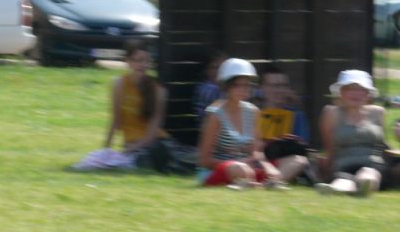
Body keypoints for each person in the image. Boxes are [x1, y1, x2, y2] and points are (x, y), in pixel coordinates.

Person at [71, 41, 187, 173]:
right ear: (128, 61)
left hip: (154, 144)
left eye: (146, 61)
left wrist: (129, 150)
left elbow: (151, 135)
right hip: (133, 148)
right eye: (138, 60)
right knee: (105, 160)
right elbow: (115, 121)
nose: (142, 65)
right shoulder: (119, 85)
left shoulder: (158, 91)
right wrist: (105, 149)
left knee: (150, 157)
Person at [196, 57, 278, 188]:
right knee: (240, 169)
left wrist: (263, 163)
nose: (243, 89)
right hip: (218, 170)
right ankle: (262, 185)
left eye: (247, 85)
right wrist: (239, 162)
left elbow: (257, 151)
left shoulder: (253, 111)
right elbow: (203, 160)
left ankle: (254, 183)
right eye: (237, 85)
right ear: (226, 86)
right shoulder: (215, 114)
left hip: (248, 167)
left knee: (295, 161)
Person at [316, 69, 387, 196]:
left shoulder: (378, 112)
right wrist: (325, 170)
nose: (356, 94)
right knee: (343, 179)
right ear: (341, 92)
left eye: (361, 90)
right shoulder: (331, 113)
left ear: (367, 93)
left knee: (367, 174)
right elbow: (329, 148)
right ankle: (338, 190)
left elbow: (382, 144)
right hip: (343, 164)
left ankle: (364, 187)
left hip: (372, 163)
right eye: (350, 89)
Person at [256, 65, 312, 185]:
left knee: (300, 161)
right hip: (257, 161)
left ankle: (269, 183)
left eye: (284, 85)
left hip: (284, 163)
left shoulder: (296, 116)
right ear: (261, 88)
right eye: (274, 86)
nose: (280, 90)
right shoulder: (253, 113)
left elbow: (302, 147)